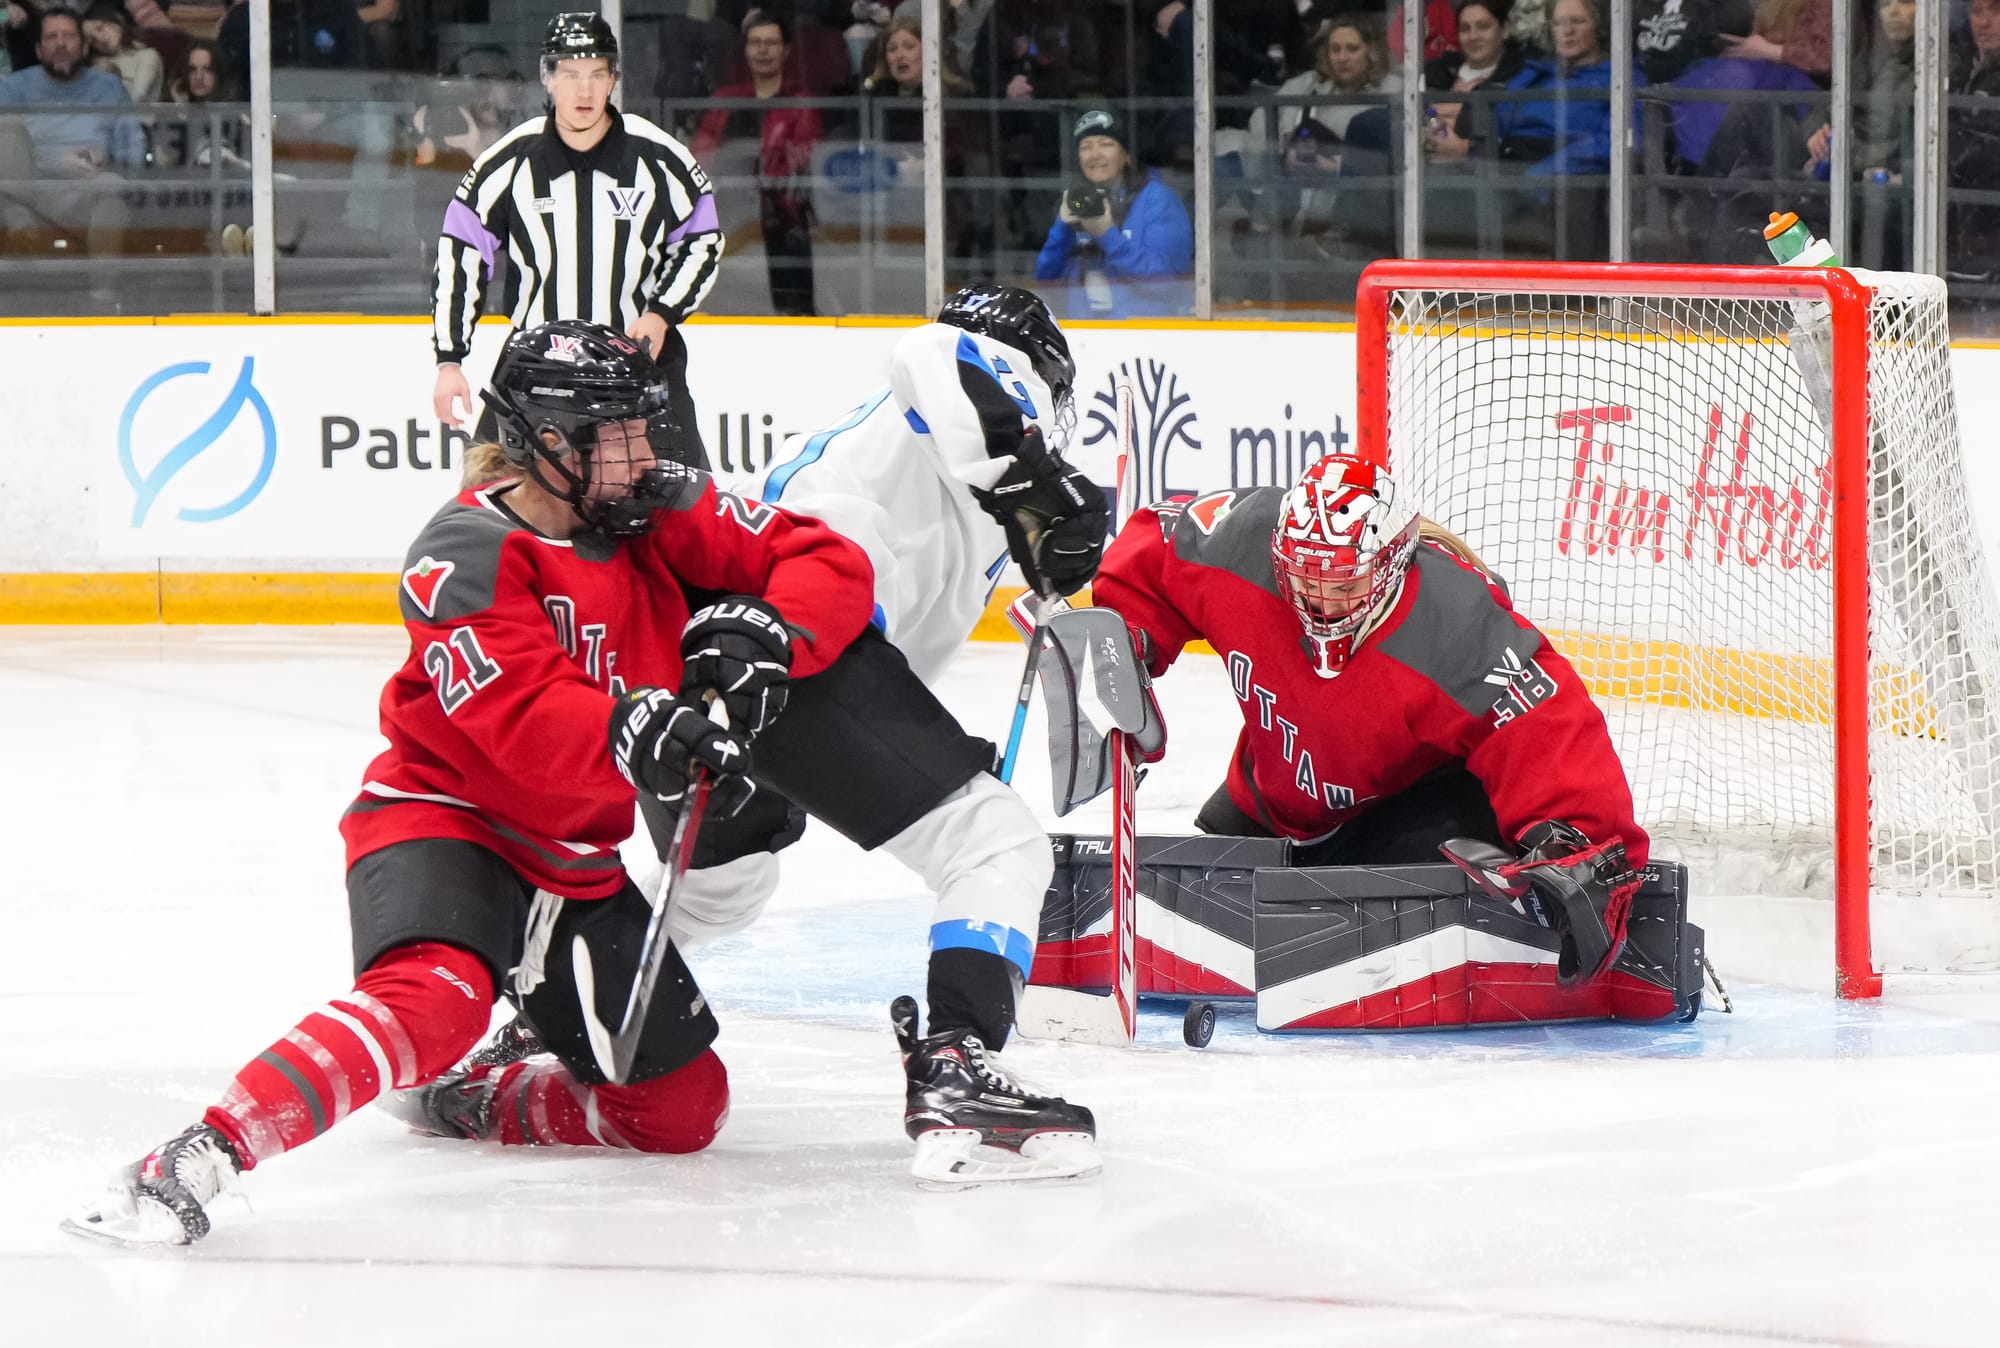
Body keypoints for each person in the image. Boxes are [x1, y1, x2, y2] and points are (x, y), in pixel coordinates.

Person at [62, 320, 870, 1246]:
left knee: (682, 1113)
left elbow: (828, 561)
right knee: (436, 998)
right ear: (549, 444)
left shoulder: (653, 513)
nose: (650, 455)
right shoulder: (462, 551)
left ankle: (467, 1097)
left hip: (572, 858)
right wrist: (635, 727)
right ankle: (196, 1155)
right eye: (622, 435)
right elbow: (521, 723)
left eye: (647, 430)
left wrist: (771, 637)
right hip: (445, 820)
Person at [437, 287, 1109, 1185]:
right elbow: (937, 353)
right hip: (797, 647)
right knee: (992, 842)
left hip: (718, 668)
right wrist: (1033, 472)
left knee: (727, 888)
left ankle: (543, 1018)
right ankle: (957, 1065)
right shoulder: (969, 376)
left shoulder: (934, 456)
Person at [1090, 451, 1648, 987]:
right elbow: (1155, 553)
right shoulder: (1242, 540)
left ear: (1391, 565)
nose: (1319, 606)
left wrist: (1584, 847)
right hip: (1272, 803)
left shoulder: (1451, 619)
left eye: (1342, 586)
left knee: (1463, 829)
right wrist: (1126, 636)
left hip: (1399, 823)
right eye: (1303, 581)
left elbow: (1543, 721)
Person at [431, 13, 724, 470]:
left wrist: (662, 312)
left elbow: (702, 241)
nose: (583, 91)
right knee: (485, 503)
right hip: (536, 368)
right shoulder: (506, 163)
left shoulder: (662, 158)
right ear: (547, 79)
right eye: (569, 74)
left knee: (688, 504)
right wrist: (450, 360)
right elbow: (460, 255)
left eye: (596, 74)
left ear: (613, 80)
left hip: (638, 367)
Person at [692, 9, 823, 316]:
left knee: (791, 301)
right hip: (731, 212)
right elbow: (703, 153)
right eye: (755, 42)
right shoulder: (726, 100)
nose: (763, 50)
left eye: (771, 43)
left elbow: (805, 154)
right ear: (746, 49)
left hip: (784, 217)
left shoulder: (801, 102)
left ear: (786, 50)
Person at [1034, 107, 1194, 319]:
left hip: (1143, 335)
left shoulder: (1158, 200)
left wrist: (1107, 235)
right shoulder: (1079, 201)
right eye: (1085, 146)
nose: (1094, 154)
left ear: (1126, 156)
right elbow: (1046, 281)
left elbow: (1165, 284)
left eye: (1106, 144)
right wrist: (1062, 228)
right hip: (1084, 334)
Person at [81, 2, 160, 103]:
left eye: (100, 28)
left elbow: (137, 97)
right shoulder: (96, 63)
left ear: (115, 22)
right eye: (93, 40)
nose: (100, 39)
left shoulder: (147, 55)